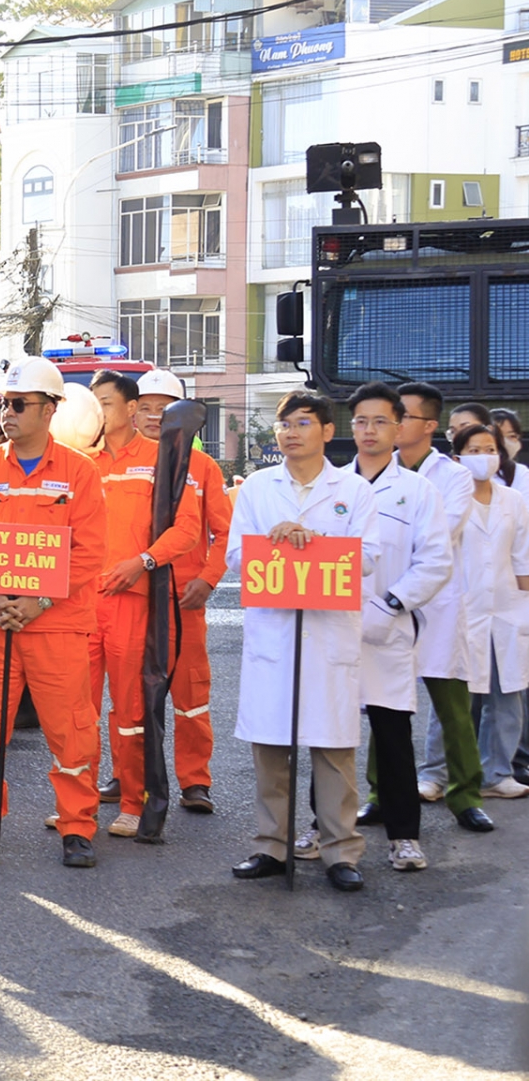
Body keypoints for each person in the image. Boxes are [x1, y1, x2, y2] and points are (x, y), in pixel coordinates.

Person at [0, 356, 109, 869]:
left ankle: (77, 826)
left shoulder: (79, 473)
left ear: (49, 410)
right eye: (3, 404)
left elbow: (89, 551)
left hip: (56, 623)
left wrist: (38, 601)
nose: (7, 413)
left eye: (18, 404)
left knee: (70, 729)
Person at [227, 392, 379, 891]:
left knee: (333, 750)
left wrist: (310, 540)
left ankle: (340, 852)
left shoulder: (353, 490)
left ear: (327, 432)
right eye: (284, 424)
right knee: (271, 749)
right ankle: (271, 845)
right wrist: (273, 541)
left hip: (328, 634)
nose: (291, 432)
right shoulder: (257, 488)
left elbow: (371, 556)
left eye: (303, 422)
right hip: (275, 631)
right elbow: (234, 557)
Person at [319, 382, 451, 873]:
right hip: (332, 626)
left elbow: (436, 560)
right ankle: (323, 825)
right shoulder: (331, 484)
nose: (368, 431)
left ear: (399, 428)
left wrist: (393, 603)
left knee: (393, 734)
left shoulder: (418, 490)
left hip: (388, 629)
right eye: (360, 421)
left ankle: (404, 835)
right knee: (329, 732)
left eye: (379, 422)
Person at [85, 369, 202, 836]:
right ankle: (78, 803)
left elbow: (188, 529)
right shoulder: (79, 462)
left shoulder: (163, 459)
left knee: (130, 710)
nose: (97, 413)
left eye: (106, 404)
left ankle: (134, 802)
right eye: (92, 404)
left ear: (131, 409)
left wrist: (144, 561)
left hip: (131, 602)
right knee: (77, 710)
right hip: (78, 605)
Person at [398, 382, 494, 833]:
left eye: (401, 417)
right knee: (387, 705)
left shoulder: (453, 476)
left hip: (436, 602)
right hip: (388, 601)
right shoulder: (372, 470)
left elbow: (443, 530)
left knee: (453, 707)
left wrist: (393, 536)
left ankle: (466, 795)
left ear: (429, 425)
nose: (390, 425)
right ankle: (383, 793)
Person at [135, 369, 230, 812]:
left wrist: (207, 579)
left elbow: (224, 532)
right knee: (132, 698)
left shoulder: (204, 467)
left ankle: (196, 781)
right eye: (147, 407)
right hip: (132, 599)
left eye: (165, 408)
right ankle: (129, 777)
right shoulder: (117, 463)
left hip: (183, 599)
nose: (155, 417)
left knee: (191, 696)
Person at [448, 423, 529, 801]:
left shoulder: (513, 499)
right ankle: (449, 772)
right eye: (474, 450)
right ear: (457, 458)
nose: (484, 457)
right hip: (463, 609)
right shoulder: (448, 499)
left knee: (507, 696)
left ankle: (499, 772)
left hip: (507, 608)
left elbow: (522, 555)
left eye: (490, 449)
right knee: (460, 699)